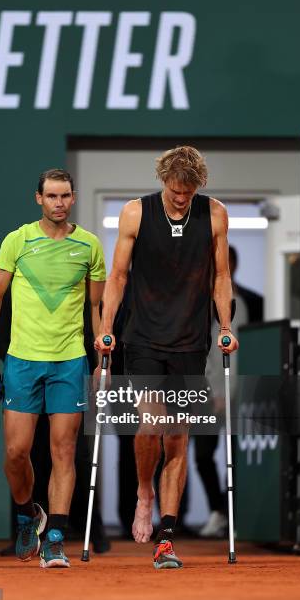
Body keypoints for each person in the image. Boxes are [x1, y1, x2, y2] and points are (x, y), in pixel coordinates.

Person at [95, 146, 238, 569]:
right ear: (164, 182)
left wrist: (225, 326)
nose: (182, 197)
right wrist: (106, 327)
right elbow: (118, 276)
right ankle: (144, 491)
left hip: (190, 341)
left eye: (189, 191)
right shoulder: (136, 213)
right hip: (141, 336)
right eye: (177, 190)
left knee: (177, 436)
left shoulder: (214, 214)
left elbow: (221, 276)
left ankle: (167, 537)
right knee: (150, 424)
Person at [0, 169, 106, 568]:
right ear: (39, 199)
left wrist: (101, 361)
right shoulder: (18, 240)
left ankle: (55, 538)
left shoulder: (90, 246)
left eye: (65, 196)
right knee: (16, 453)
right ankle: (29, 513)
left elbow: (96, 308)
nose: (59, 203)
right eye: (51, 196)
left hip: (69, 360)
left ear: (73, 197)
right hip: (23, 360)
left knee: (64, 451)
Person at [196, 245, 250, 538]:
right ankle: (219, 511)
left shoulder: (241, 302)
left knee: (237, 456)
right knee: (203, 456)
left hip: (233, 395)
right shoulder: (201, 302)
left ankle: (233, 515)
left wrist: (224, 391)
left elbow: (232, 354)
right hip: (205, 394)